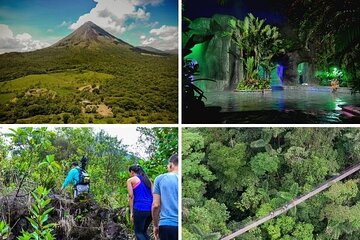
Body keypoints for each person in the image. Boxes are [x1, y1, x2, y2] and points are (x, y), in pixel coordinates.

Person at [152, 154, 178, 240]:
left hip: (166, 225)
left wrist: (155, 225)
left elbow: (156, 205)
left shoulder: (160, 179)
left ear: (171, 165)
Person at [127, 165, 153, 240]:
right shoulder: (148, 180)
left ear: (132, 172)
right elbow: (153, 194)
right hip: (150, 209)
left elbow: (131, 196)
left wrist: (131, 212)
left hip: (139, 208)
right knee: (144, 232)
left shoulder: (130, 180)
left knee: (138, 233)